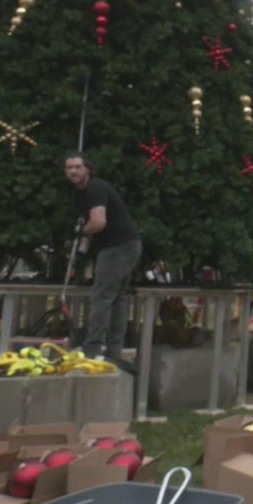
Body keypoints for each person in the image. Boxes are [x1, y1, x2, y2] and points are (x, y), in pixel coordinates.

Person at [64, 152, 142, 360]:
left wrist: (80, 234)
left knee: (101, 297)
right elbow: (88, 225)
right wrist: (81, 251)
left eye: (77, 167)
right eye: (69, 168)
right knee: (117, 297)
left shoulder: (95, 188)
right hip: (125, 245)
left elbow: (97, 223)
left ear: (87, 169)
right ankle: (114, 352)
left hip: (118, 247)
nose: (73, 171)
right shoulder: (80, 195)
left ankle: (92, 349)